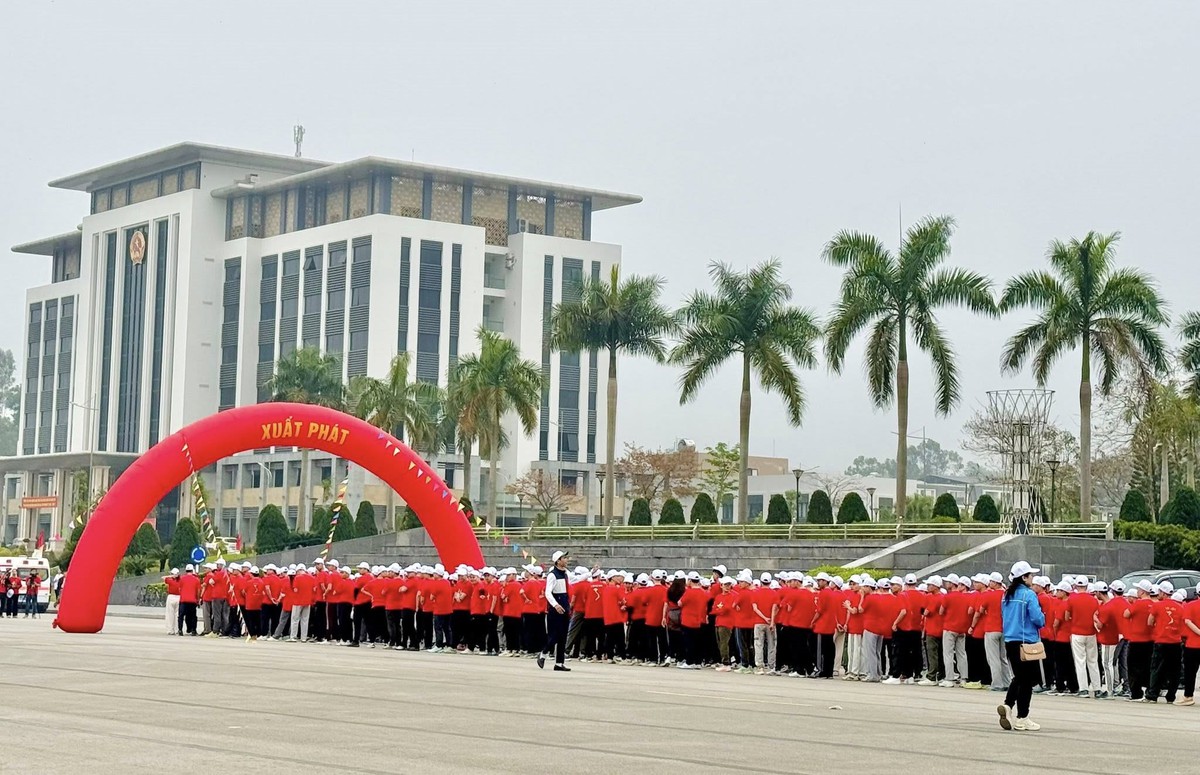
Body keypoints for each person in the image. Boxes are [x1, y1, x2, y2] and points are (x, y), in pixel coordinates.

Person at [997, 561, 1045, 732]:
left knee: (1019, 677)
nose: (1032, 578)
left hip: (1010, 640)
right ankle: (1022, 717)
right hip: (1027, 641)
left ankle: (1008, 705)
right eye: (1030, 575)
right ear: (1024, 578)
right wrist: (1042, 618)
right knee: (1027, 681)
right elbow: (1038, 619)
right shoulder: (1029, 595)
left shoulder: (1006, 595)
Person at [538, 551, 572, 671]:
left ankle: (559, 663)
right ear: (558, 561)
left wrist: (592, 573)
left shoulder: (565, 573)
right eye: (564, 558)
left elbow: (575, 579)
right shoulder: (553, 575)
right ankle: (543, 653)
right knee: (554, 636)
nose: (566, 560)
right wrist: (555, 605)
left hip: (565, 607)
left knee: (563, 636)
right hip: (555, 609)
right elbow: (548, 592)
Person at [178, 564, 201, 635]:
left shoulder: (182, 578)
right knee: (193, 616)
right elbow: (198, 591)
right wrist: (198, 599)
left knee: (181, 615)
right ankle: (193, 630)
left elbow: (179, 589)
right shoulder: (196, 579)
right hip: (192, 600)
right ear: (192, 570)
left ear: (186, 570)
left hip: (183, 600)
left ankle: (180, 630)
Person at [163, 568, 182, 635]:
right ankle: (177, 629)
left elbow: (163, 578)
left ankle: (170, 630)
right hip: (179, 597)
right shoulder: (181, 581)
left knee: (170, 614)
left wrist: (170, 576)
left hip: (171, 597)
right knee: (177, 615)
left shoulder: (169, 580)